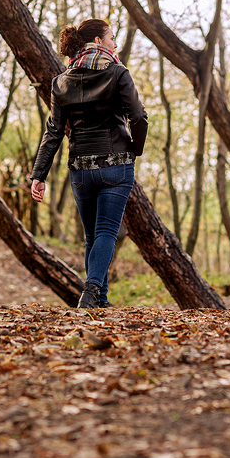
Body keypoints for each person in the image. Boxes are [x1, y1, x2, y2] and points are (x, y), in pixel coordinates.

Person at [30, 19, 148, 309]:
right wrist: (135, 149)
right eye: (111, 37)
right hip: (116, 164)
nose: (115, 43)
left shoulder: (61, 81)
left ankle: (100, 300)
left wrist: (39, 174)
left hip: (80, 168)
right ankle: (92, 290)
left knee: (91, 236)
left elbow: (54, 131)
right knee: (107, 231)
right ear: (97, 41)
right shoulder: (118, 72)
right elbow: (139, 117)